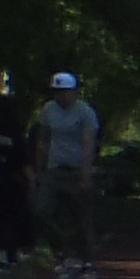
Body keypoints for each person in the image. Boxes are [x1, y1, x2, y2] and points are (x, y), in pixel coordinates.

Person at [31, 72, 104, 263]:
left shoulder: (85, 112)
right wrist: (39, 170)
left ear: (74, 92)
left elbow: (89, 145)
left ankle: (87, 259)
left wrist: (85, 175)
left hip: (75, 170)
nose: (61, 96)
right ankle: (60, 247)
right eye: (57, 92)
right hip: (54, 169)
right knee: (41, 211)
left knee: (80, 217)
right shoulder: (48, 110)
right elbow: (43, 140)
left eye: (65, 92)